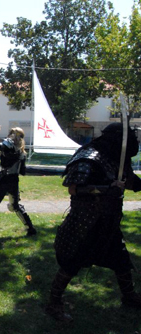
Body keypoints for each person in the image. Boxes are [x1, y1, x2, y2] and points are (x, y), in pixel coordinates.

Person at [45, 123, 141, 322]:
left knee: (121, 259)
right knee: (71, 264)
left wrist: (132, 184)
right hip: (86, 222)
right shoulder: (88, 156)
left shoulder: (117, 158)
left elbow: (128, 180)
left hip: (109, 221)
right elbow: (73, 189)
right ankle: (54, 303)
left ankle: (129, 296)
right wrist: (106, 189)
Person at [0, 127, 36, 243]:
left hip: (3, 179)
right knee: (15, 206)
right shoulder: (21, 152)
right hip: (14, 180)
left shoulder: (8, 144)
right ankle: (31, 229)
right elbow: (22, 171)